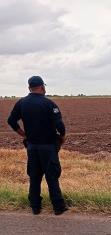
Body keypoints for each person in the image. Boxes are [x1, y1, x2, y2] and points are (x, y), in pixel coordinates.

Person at [7, 76, 68, 216]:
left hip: (32, 146)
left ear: (29, 88)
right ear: (42, 87)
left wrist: (23, 134)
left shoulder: (21, 103)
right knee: (52, 176)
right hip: (48, 146)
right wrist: (62, 137)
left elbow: (11, 121)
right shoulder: (49, 104)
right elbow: (60, 125)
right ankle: (58, 207)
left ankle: (35, 207)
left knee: (34, 176)